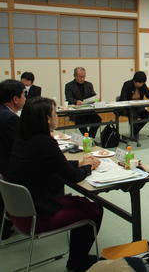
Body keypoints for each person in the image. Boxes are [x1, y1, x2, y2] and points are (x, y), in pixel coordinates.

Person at [7, 97, 102, 272]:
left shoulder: (23, 138)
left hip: (18, 211)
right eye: (55, 113)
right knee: (94, 209)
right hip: (37, 215)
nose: (57, 116)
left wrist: (79, 163)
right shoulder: (44, 142)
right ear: (47, 119)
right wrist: (88, 167)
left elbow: (53, 165)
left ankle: (78, 258)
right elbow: (72, 176)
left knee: (81, 201)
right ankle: (78, 262)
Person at [0, 79, 26, 240]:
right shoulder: (10, 119)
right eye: (24, 95)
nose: (25, 98)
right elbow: (20, 149)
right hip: (9, 169)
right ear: (15, 99)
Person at [65, 67, 102, 138]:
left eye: (84, 76)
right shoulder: (69, 85)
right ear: (75, 76)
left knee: (98, 119)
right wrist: (76, 101)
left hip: (88, 109)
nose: (82, 78)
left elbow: (93, 95)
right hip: (76, 111)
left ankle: (90, 138)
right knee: (79, 121)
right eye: (80, 77)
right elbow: (69, 98)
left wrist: (96, 99)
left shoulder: (89, 84)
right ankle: (88, 138)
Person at [118, 71, 149, 139]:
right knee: (133, 114)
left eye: (143, 83)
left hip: (138, 107)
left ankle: (134, 132)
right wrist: (130, 104)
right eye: (140, 83)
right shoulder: (127, 84)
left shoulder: (143, 85)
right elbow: (123, 98)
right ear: (134, 81)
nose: (141, 84)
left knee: (147, 115)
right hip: (127, 108)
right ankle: (134, 133)